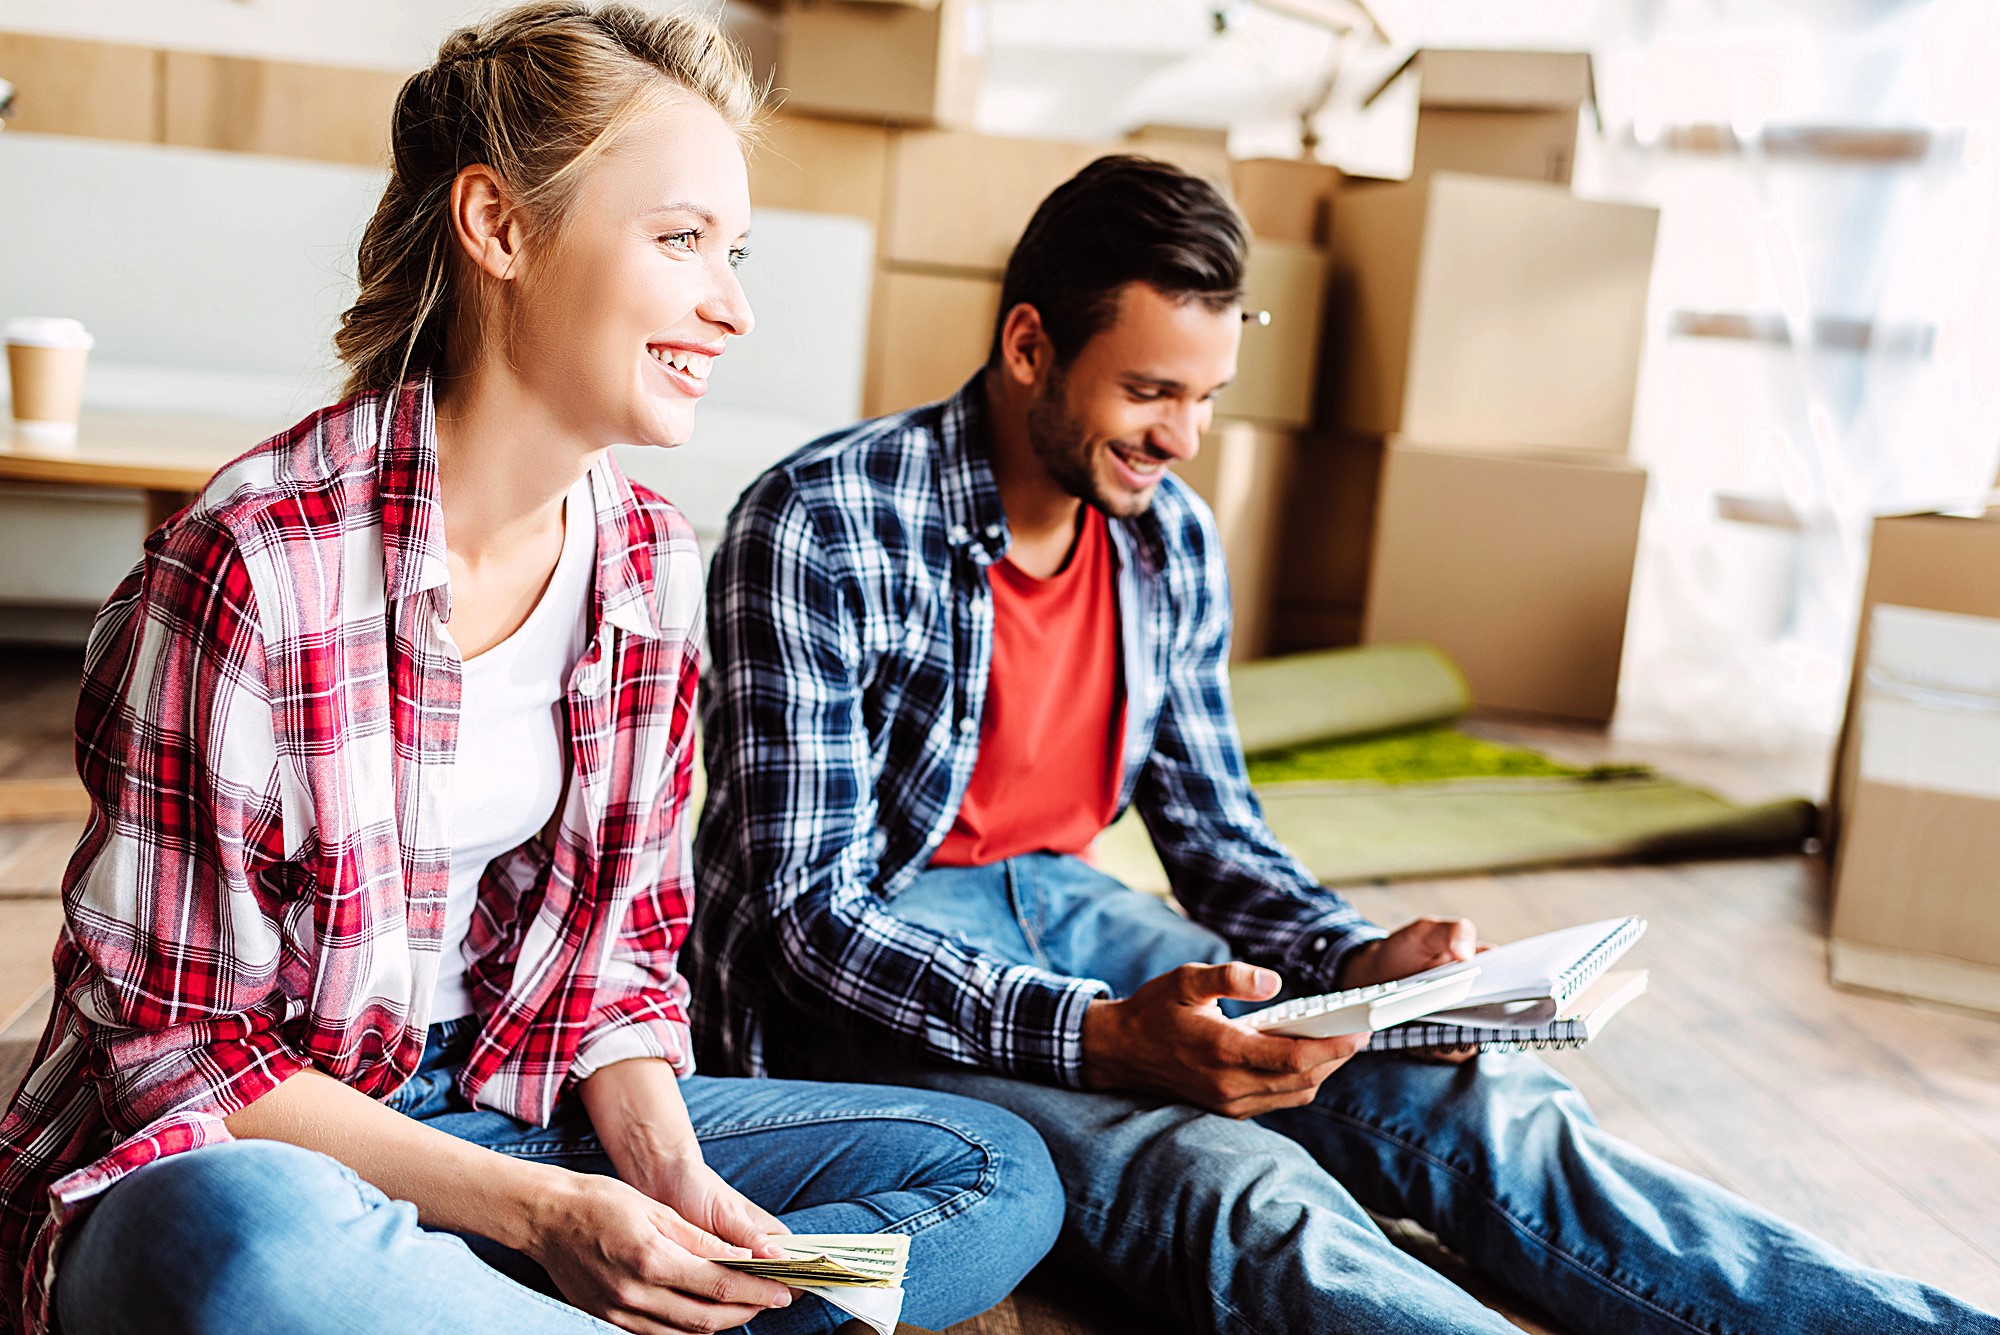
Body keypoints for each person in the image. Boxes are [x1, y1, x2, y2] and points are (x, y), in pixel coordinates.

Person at [691, 153, 2000, 1335]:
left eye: (1205, 396)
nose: (1182, 439)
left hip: (1074, 909)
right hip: (877, 974)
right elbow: (808, 921)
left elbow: (1212, 835)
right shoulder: (821, 524)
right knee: (1240, 1189)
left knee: (1484, 1110)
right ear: (1029, 345)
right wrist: (1101, 1037)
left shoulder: (1168, 536)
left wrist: (1360, 963)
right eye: (1148, 391)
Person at [0, 7, 1065, 1334]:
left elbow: (615, 963)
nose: (730, 306)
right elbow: (179, 1060)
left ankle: (464, 1306)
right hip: (258, 1153)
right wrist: (544, 1216)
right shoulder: (253, 565)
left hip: (497, 1113)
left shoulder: (648, 564)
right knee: (246, 1253)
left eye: (731, 252)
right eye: (682, 240)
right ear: (499, 227)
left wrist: (665, 1180)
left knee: (991, 1172)